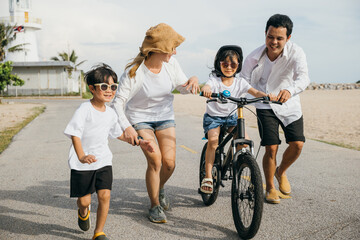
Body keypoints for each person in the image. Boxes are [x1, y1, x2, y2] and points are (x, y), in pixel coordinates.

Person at [111, 23, 200, 223]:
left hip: (165, 117)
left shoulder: (171, 64)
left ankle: (158, 188)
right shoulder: (135, 72)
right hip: (140, 119)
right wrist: (127, 128)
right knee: (155, 160)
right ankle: (154, 205)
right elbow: (118, 103)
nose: (175, 51)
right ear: (159, 49)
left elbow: (183, 87)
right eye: (172, 47)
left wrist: (193, 80)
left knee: (169, 163)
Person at [64, 64, 154, 240]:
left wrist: (139, 142)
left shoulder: (111, 113)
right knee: (85, 201)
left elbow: (117, 134)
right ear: (92, 88)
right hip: (82, 163)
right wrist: (81, 156)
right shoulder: (84, 109)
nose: (109, 90)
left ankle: (99, 232)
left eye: (114, 87)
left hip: (104, 161)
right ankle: (83, 212)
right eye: (104, 86)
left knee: (105, 196)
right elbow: (74, 133)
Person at [240, 14, 310, 203]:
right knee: (271, 147)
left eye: (279, 38)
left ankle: (281, 172)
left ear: (288, 38)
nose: (274, 42)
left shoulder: (296, 52)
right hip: (264, 103)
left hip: (289, 103)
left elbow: (303, 78)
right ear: (265, 34)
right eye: (270, 36)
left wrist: (290, 90)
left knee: (297, 145)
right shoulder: (253, 57)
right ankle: (270, 187)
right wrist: (255, 94)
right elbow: (243, 81)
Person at [200, 45, 276, 194]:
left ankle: (240, 164)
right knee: (213, 141)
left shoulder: (240, 82)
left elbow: (254, 92)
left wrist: (266, 96)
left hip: (232, 118)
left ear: (238, 65)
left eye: (233, 64)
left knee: (244, 142)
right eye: (225, 64)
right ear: (219, 64)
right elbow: (207, 87)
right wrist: (206, 91)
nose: (229, 67)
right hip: (214, 118)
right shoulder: (214, 80)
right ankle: (208, 176)